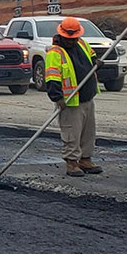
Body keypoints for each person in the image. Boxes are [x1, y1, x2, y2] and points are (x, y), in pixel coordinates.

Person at [45, 16, 104, 177]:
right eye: (68, 38)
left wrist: (97, 63)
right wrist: (57, 98)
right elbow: (52, 77)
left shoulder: (82, 44)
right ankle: (71, 162)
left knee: (88, 132)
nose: (71, 41)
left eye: (74, 38)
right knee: (72, 133)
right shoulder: (55, 52)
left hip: (87, 97)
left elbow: (92, 59)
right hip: (70, 100)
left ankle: (85, 160)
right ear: (62, 35)